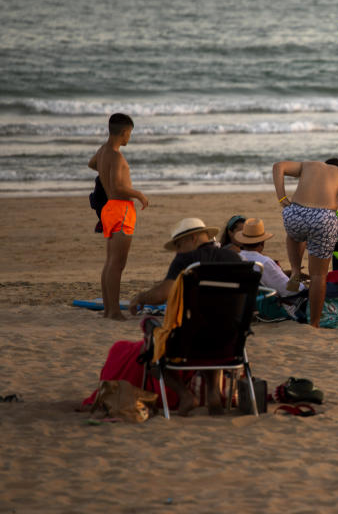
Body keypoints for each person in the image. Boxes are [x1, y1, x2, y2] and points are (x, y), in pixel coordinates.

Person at [129, 218, 242, 415]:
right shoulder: (234, 259)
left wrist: (140, 297)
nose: (177, 251)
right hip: (230, 342)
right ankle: (213, 393)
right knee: (213, 326)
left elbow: (162, 293)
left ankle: (185, 394)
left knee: (152, 350)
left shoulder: (186, 261)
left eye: (179, 245)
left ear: (193, 238)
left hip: (188, 344)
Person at [272, 157, 338, 328]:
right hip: (323, 219)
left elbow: (278, 166)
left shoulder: (308, 165)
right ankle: (314, 323)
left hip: (294, 213)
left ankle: (295, 269)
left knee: (295, 235)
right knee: (318, 276)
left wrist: (281, 196)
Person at [87, 113, 149, 321]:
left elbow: (92, 164)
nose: (129, 138)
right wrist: (138, 194)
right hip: (121, 209)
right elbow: (118, 187)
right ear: (123, 132)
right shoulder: (116, 156)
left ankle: (108, 309)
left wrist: (104, 173)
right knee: (117, 263)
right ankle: (113, 311)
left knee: (110, 261)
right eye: (129, 134)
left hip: (110, 210)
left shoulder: (102, 151)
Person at [232, 217, 305, 295]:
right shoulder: (264, 262)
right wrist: (304, 287)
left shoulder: (235, 258)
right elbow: (287, 289)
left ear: (242, 242)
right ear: (262, 243)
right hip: (260, 303)